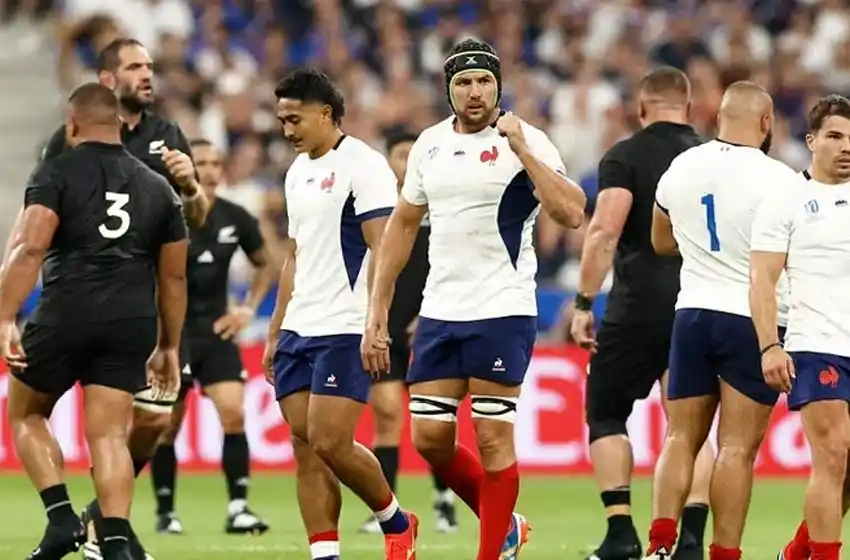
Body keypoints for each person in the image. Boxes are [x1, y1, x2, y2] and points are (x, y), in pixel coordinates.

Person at [363, 39, 586, 560]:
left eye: (484, 81)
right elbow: (402, 225)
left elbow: (572, 212)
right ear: (448, 91)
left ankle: (492, 552)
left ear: (498, 86)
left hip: (503, 309)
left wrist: (524, 151)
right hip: (441, 311)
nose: (474, 91)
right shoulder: (429, 145)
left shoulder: (527, 139)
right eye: (463, 83)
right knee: (430, 439)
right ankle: (505, 526)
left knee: (491, 440)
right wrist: (377, 310)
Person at [0, 83, 188, 560]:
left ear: (72, 124)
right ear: (120, 126)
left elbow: (30, 247)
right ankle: (118, 542)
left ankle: (62, 519)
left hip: (67, 311)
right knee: (107, 436)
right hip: (131, 321)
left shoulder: (56, 172)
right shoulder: (158, 187)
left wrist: (4, 317)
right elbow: (174, 277)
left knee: (26, 412)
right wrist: (168, 346)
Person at [39, 37, 207, 560]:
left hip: (151, 302)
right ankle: (113, 532)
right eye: (136, 67)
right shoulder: (71, 140)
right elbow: (45, 209)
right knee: (109, 425)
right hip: (91, 300)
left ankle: (95, 520)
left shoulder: (167, 135)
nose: (148, 75)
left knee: (153, 422)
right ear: (107, 79)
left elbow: (195, 219)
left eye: (151, 66)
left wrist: (192, 187)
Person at [260, 68, 417, 560]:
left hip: (345, 326)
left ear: (325, 113)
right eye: (282, 120)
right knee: (305, 447)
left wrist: (377, 322)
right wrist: (273, 330)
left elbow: (385, 249)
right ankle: (325, 554)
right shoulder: (296, 171)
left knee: (330, 440)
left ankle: (395, 520)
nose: (287, 130)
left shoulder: (364, 166)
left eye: (294, 119)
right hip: (298, 327)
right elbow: (295, 255)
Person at [569, 66, 714, 560]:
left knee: (606, 410)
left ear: (641, 108)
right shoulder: (713, 159)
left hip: (639, 304)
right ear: (690, 109)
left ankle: (621, 533)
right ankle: (690, 538)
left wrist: (585, 301)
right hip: (701, 301)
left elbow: (605, 230)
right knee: (689, 426)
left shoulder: (625, 155)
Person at [645, 81, 794, 560]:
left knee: (680, 437)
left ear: (718, 118)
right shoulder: (781, 180)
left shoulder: (683, 165)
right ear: (766, 122)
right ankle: (725, 554)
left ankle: (660, 544)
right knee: (736, 449)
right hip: (752, 321)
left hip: (691, 313)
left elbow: (660, 240)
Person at [148, 139, 274, 536]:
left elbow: (266, 263)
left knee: (234, 414)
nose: (211, 169)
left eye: (216, 162)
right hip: (174, 334)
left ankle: (238, 508)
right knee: (168, 424)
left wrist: (247, 309)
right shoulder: (166, 217)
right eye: (201, 162)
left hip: (217, 330)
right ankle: (166, 512)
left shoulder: (235, 216)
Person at [758, 95, 850, 560]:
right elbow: (763, 279)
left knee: (848, 467)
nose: (846, 146)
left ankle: (796, 553)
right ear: (812, 141)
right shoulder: (787, 199)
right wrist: (770, 346)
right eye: (835, 136)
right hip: (818, 344)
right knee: (833, 456)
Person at [358, 131, 458, 535]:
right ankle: (386, 508)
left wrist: (432, 313)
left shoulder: (442, 212)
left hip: (429, 328)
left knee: (433, 421)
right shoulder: (378, 214)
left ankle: (444, 499)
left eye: (409, 154)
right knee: (387, 414)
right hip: (387, 330)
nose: (404, 161)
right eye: (399, 154)